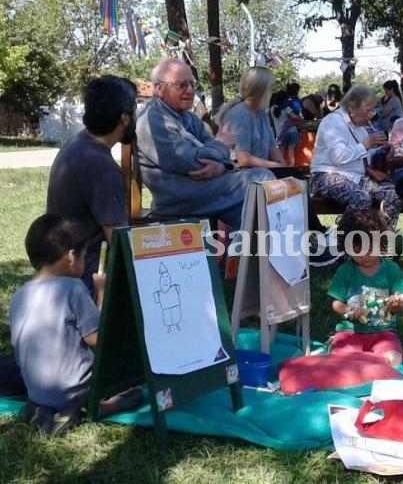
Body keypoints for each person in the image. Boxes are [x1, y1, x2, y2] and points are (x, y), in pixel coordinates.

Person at [10, 214, 142, 436]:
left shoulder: (19, 295)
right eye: (83, 256)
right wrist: (101, 292)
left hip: (36, 391)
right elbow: (98, 339)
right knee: (135, 391)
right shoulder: (73, 288)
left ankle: (42, 410)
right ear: (71, 257)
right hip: (76, 389)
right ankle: (95, 408)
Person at [214, 66, 340, 266]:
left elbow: (273, 147)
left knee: (294, 178)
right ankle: (316, 236)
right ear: (261, 89)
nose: (273, 91)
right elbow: (244, 159)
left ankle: (310, 241)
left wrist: (283, 170)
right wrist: (278, 168)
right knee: (294, 178)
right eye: (270, 87)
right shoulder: (240, 115)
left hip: (258, 174)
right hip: (237, 177)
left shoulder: (261, 114)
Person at [136, 58, 274, 231]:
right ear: (159, 88)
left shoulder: (189, 117)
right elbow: (193, 162)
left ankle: (247, 256)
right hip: (177, 198)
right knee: (261, 180)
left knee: (251, 209)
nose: (190, 91)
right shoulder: (153, 120)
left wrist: (222, 167)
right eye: (182, 85)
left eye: (193, 85)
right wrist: (221, 145)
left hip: (200, 189)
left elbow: (218, 151)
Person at [47, 75, 135, 296]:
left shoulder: (77, 145)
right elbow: (119, 240)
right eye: (135, 111)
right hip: (86, 281)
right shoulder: (102, 167)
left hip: (62, 270)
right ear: (124, 118)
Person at [327, 208, 403, 366]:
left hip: (384, 333)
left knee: (395, 360)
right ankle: (365, 365)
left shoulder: (391, 269)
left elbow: (401, 303)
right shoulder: (345, 271)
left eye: (369, 249)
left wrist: (397, 305)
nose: (364, 256)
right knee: (343, 362)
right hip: (350, 332)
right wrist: (349, 311)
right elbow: (336, 303)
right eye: (357, 250)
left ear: (381, 244)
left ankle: (372, 365)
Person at [310, 85, 402, 228]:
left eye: (373, 110)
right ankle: (345, 242)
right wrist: (367, 143)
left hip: (356, 177)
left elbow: (361, 156)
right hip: (326, 176)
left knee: (393, 195)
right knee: (361, 197)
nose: (372, 115)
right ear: (352, 108)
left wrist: (380, 150)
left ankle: (382, 240)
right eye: (368, 111)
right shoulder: (333, 122)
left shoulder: (360, 127)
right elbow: (338, 156)